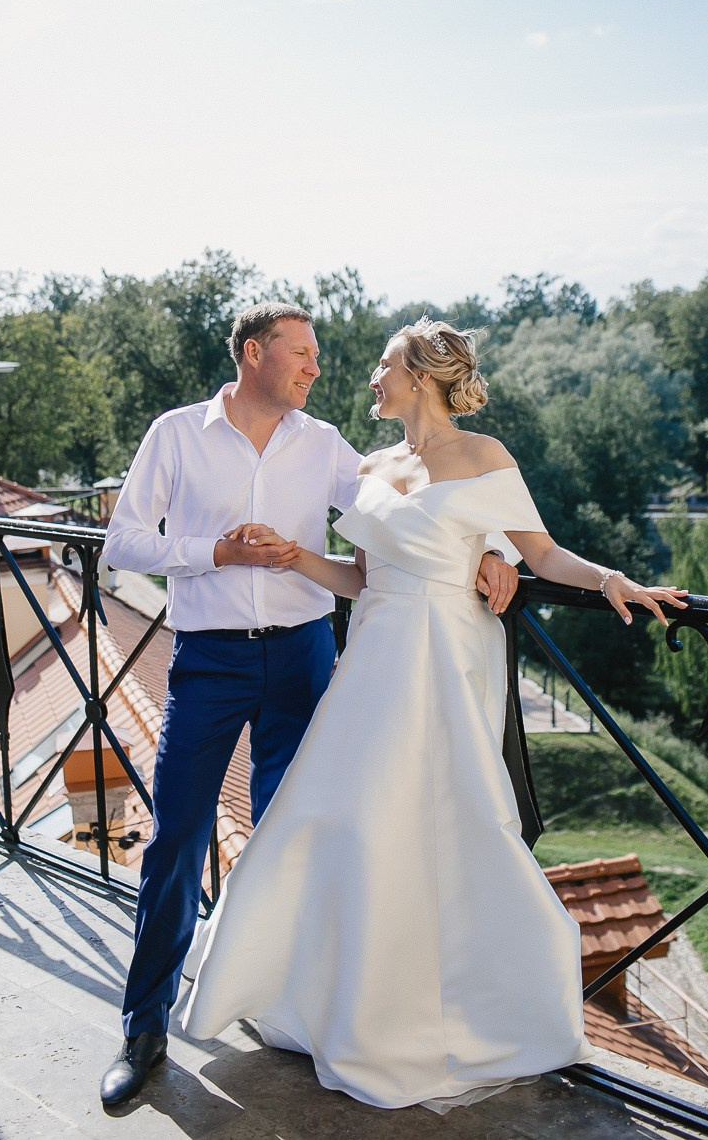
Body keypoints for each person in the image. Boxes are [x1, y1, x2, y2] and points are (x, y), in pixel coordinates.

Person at [183, 318, 687, 1111]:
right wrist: (294, 556)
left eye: (383, 365)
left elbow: (542, 553)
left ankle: (471, 1008)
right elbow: (359, 579)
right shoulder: (373, 465)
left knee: (451, 824)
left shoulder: (484, 456)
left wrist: (606, 578)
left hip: (445, 661)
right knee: (344, 821)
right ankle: (333, 998)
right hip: (371, 662)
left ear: (420, 375)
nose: (371, 378)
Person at [97, 303, 519, 1106]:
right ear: (254, 353)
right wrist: (215, 552)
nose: (315, 368)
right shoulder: (176, 435)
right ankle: (143, 1028)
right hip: (209, 660)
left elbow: (416, 500)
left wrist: (495, 547)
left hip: (304, 657)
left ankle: (291, 1007)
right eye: (301, 353)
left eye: (315, 355)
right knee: (178, 836)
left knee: (296, 834)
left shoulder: (323, 443)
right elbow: (123, 541)